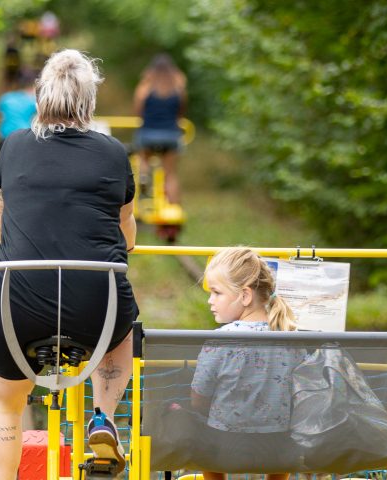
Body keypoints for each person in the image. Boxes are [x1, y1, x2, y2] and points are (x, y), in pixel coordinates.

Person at [0, 49, 138, 479]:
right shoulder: (112, 153)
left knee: (2, 403)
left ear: (40, 96)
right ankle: (102, 417)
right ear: (89, 100)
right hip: (96, 303)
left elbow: (1, 222)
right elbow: (126, 233)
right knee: (123, 333)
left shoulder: (12, 147)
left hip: (21, 298)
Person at [190, 248, 298, 480]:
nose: (210, 300)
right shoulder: (292, 336)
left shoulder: (220, 339)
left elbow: (198, 399)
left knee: (196, 423)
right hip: (278, 450)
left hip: (225, 449)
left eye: (217, 293)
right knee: (285, 431)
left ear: (245, 296)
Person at [133, 53, 188, 204]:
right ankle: (174, 211)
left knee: (143, 159)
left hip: (148, 134)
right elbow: (181, 111)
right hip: (171, 135)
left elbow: (138, 111)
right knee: (170, 175)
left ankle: (144, 177)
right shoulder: (178, 87)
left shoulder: (145, 87)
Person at [0, 72, 38, 140]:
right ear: (32, 87)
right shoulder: (32, 101)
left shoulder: (5, 97)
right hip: (23, 136)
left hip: (5, 136)